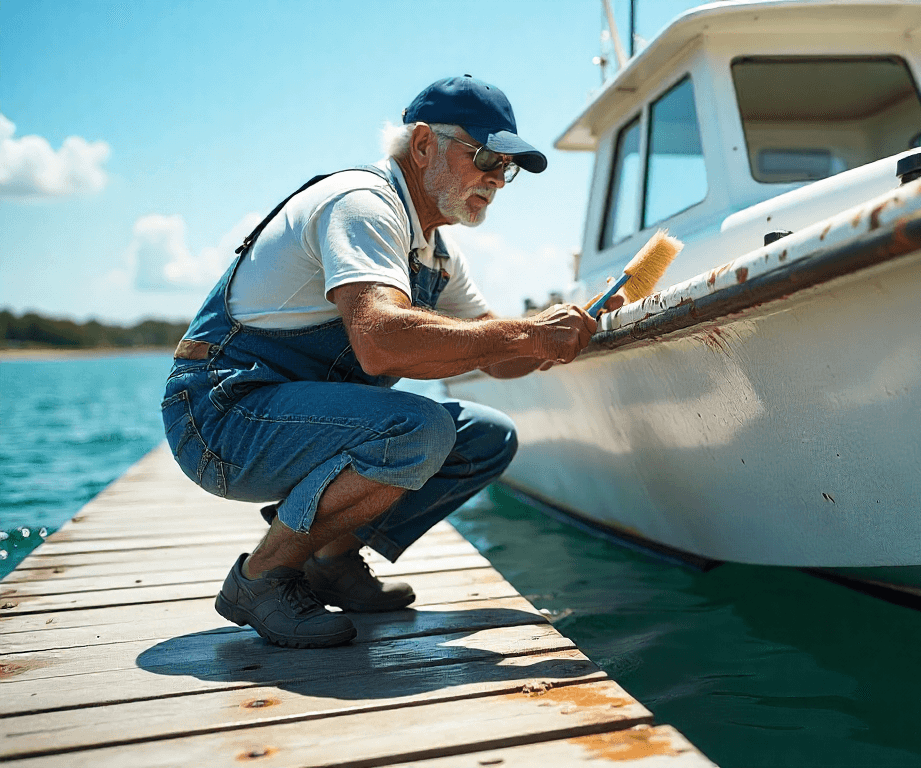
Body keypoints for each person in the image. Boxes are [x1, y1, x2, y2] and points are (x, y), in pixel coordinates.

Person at [161, 75, 617, 648]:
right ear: (423, 145)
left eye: (507, 169)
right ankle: (261, 577)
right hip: (219, 418)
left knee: (485, 436)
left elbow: (496, 356)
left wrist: (557, 337)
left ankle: (330, 558)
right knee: (417, 429)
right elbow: (381, 341)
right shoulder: (363, 204)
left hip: (285, 417)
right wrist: (526, 331)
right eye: (484, 159)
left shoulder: (434, 251)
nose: (496, 181)